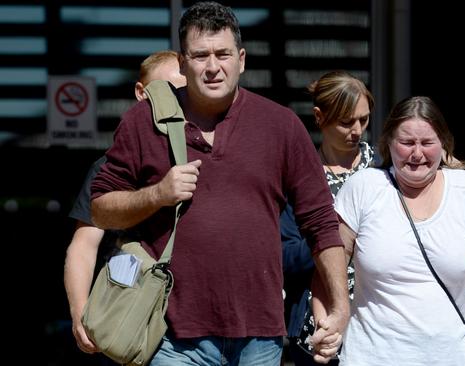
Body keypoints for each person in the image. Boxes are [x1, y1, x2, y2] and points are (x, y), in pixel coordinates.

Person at [90, 2, 349, 365]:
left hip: (260, 335)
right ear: (182, 64)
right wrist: (157, 195)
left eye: (223, 54)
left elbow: (321, 222)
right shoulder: (143, 122)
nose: (213, 67)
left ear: (241, 59)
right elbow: (100, 209)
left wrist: (340, 307)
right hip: (172, 337)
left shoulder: (281, 126)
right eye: (200, 56)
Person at [330, 96, 465, 365]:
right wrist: (330, 318)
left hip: (454, 356)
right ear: (388, 142)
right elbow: (333, 261)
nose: (417, 153)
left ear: (443, 144)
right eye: (407, 142)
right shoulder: (364, 187)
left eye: (427, 143)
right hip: (372, 356)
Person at [63, 49, 186, 356]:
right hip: (128, 319)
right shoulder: (109, 167)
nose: (176, 103)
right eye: (167, 92)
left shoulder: (201, 161)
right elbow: (83, 245)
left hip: (193, 326)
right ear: (141, 94)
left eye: (185, 95)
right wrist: (80, 315)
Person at [282, 71, 374, 366]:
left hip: (377, 320)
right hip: (316, 327)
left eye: (364, 119)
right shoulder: (300, 177)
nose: (357, 130)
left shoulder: (383, 171)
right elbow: (284, 255)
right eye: (346, 122)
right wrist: (332, 241)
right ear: (319, 117)